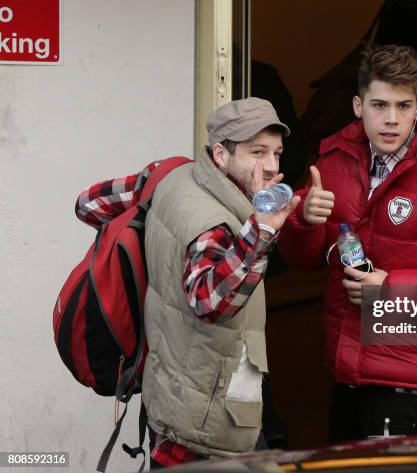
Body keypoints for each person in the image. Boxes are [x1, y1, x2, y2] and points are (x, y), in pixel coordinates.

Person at [277, 45, 417, 441]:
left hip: (412, 389)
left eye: (404, 106)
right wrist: (303, 222)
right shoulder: (332, 164)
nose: (391, 120)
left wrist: (387, 290)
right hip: (348, 378)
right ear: (357, 105)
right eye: (379, 105)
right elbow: (303, 260)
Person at [75, 98, 300, 468]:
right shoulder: (214, 224)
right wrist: (261, 233)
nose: (272, 166)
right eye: (257, 153)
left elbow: (89, 205)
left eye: (276, 153)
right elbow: (211, 304)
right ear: (221, 154)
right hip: (205, 423)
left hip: (168, 395)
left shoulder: (168, 174)